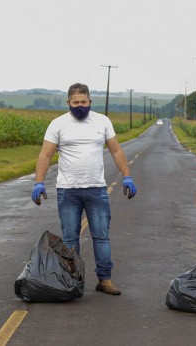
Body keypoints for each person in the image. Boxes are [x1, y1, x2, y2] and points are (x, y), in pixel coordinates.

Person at [31, 82, 137, 296]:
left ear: (90, 101)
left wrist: (127, 176)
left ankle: (104, 280)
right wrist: (39, 182)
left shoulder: (102, 121)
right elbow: (46, 155)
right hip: (68, 190)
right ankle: (73, 281)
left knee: (101, 236)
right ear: (68, 103)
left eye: (84, 102)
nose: (80, 106)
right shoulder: (58, 124)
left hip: (96, 189)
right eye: (75, 102)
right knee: (70, 238)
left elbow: (116, 151)